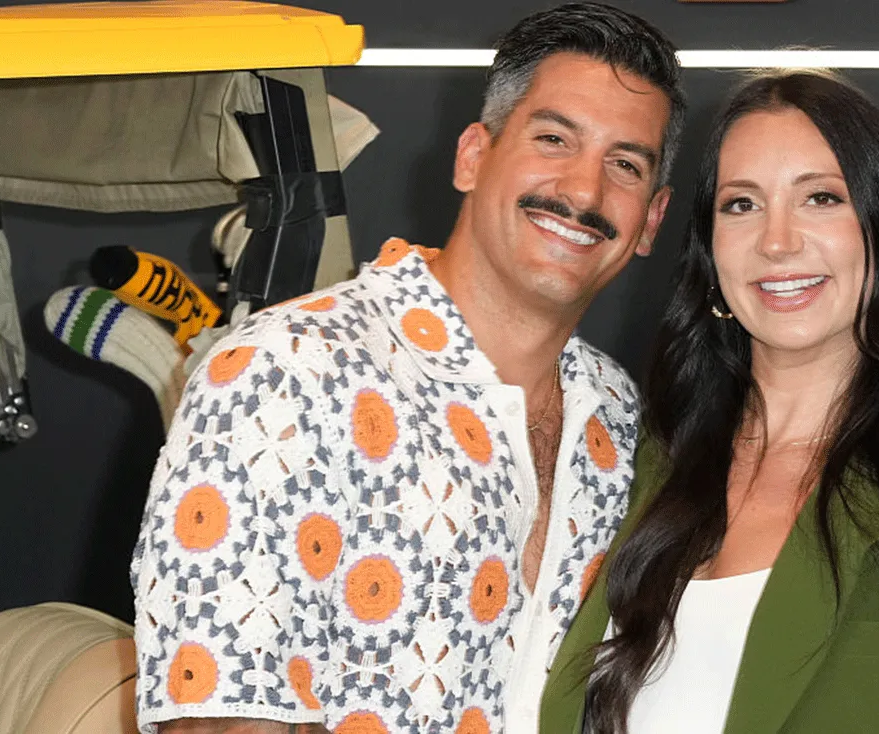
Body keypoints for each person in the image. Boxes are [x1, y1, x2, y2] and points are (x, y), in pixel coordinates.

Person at [128, 4, 685, 734]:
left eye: (625, 164)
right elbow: (217, 718)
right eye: (553, 139)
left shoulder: (618, 414)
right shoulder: (286, 370)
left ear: (650, 219)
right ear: (473, 157)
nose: (584, 192)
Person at [540, 70, 879, 734]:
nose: (778, 241)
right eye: (741, 204)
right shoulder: (620, 465)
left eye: (821, 197)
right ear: (710, 255)